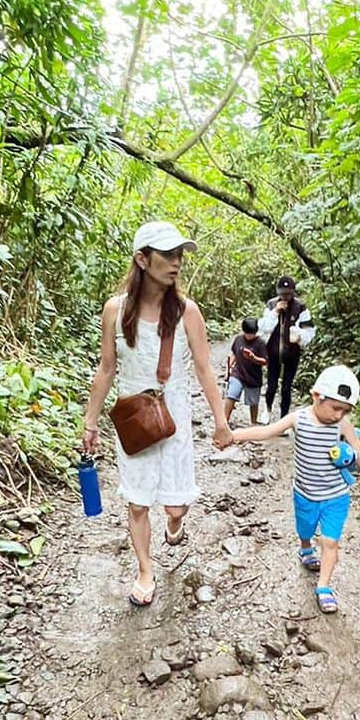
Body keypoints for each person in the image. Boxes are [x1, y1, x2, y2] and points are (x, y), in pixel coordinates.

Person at [81, 220, 233, 608]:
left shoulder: (186, 311)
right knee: (137, 501)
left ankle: (175, 521)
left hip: (175, 415)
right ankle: (145, 570)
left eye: (179, 255)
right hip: (134, 417)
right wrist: (90, 421)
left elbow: (203, 368)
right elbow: (106, 368)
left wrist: (221, 422)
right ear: (142, 259)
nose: (176, 262)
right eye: (167, 254)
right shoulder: (116, 310)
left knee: (176, 504)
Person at [225, 365, 360, 614]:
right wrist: (233, 436)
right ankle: (305, 547)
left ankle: (323, 586)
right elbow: (266, 432)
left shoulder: (343, 426)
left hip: (336, 496)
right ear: (316, 396)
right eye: (335, 408)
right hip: (306, 494)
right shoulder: (298, 419)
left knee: (330, 542)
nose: (338, 416)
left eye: (344, 411)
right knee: (305, 528)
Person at [260, 276, 314, 421]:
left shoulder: (300, 307)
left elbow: (309, 330)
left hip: (292, 354)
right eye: (282, 293)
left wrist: (300, 336)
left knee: (286, 387)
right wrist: (275, 312)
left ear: (293, 292)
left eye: (288, 293)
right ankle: (268, 409)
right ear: (278, 292)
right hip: (273, 353)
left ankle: (284, 417)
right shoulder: (271, 304)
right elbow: (263, 327)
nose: (285, 297)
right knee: (271, 385)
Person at [223, 317, 268, 424]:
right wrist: (228, 369)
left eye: (251, 334)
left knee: (253, 402)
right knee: (231, 395)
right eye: (247, 333)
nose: (249, 336)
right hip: (238, 373)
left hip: (253, 377)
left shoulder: (260, 343)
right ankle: (224, 421)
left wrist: (253, 358)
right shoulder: (238, 339)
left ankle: (253, 423)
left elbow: (265, 361)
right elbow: (234, 354)